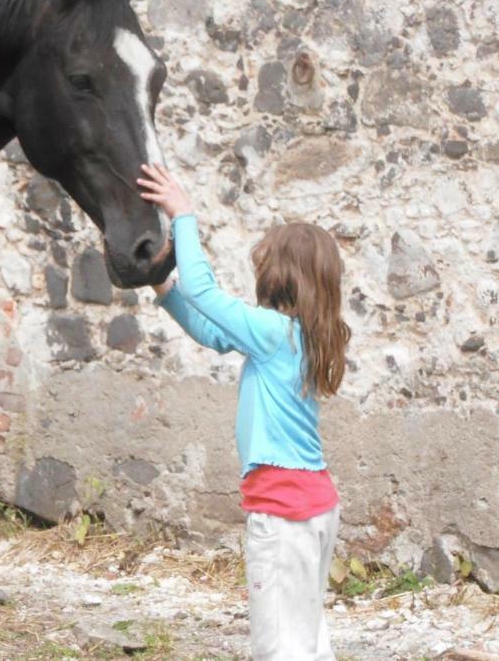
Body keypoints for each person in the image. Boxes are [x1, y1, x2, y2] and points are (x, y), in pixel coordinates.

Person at [137, 163, 350, 661]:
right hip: (314, 506)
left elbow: (207, 295)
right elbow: (213, 332)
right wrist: (164, 291)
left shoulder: (274, 333)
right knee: (308, 636)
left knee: (278, 647)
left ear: (281, 275)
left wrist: (183, 215)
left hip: (283, 512)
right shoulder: (299, 337)